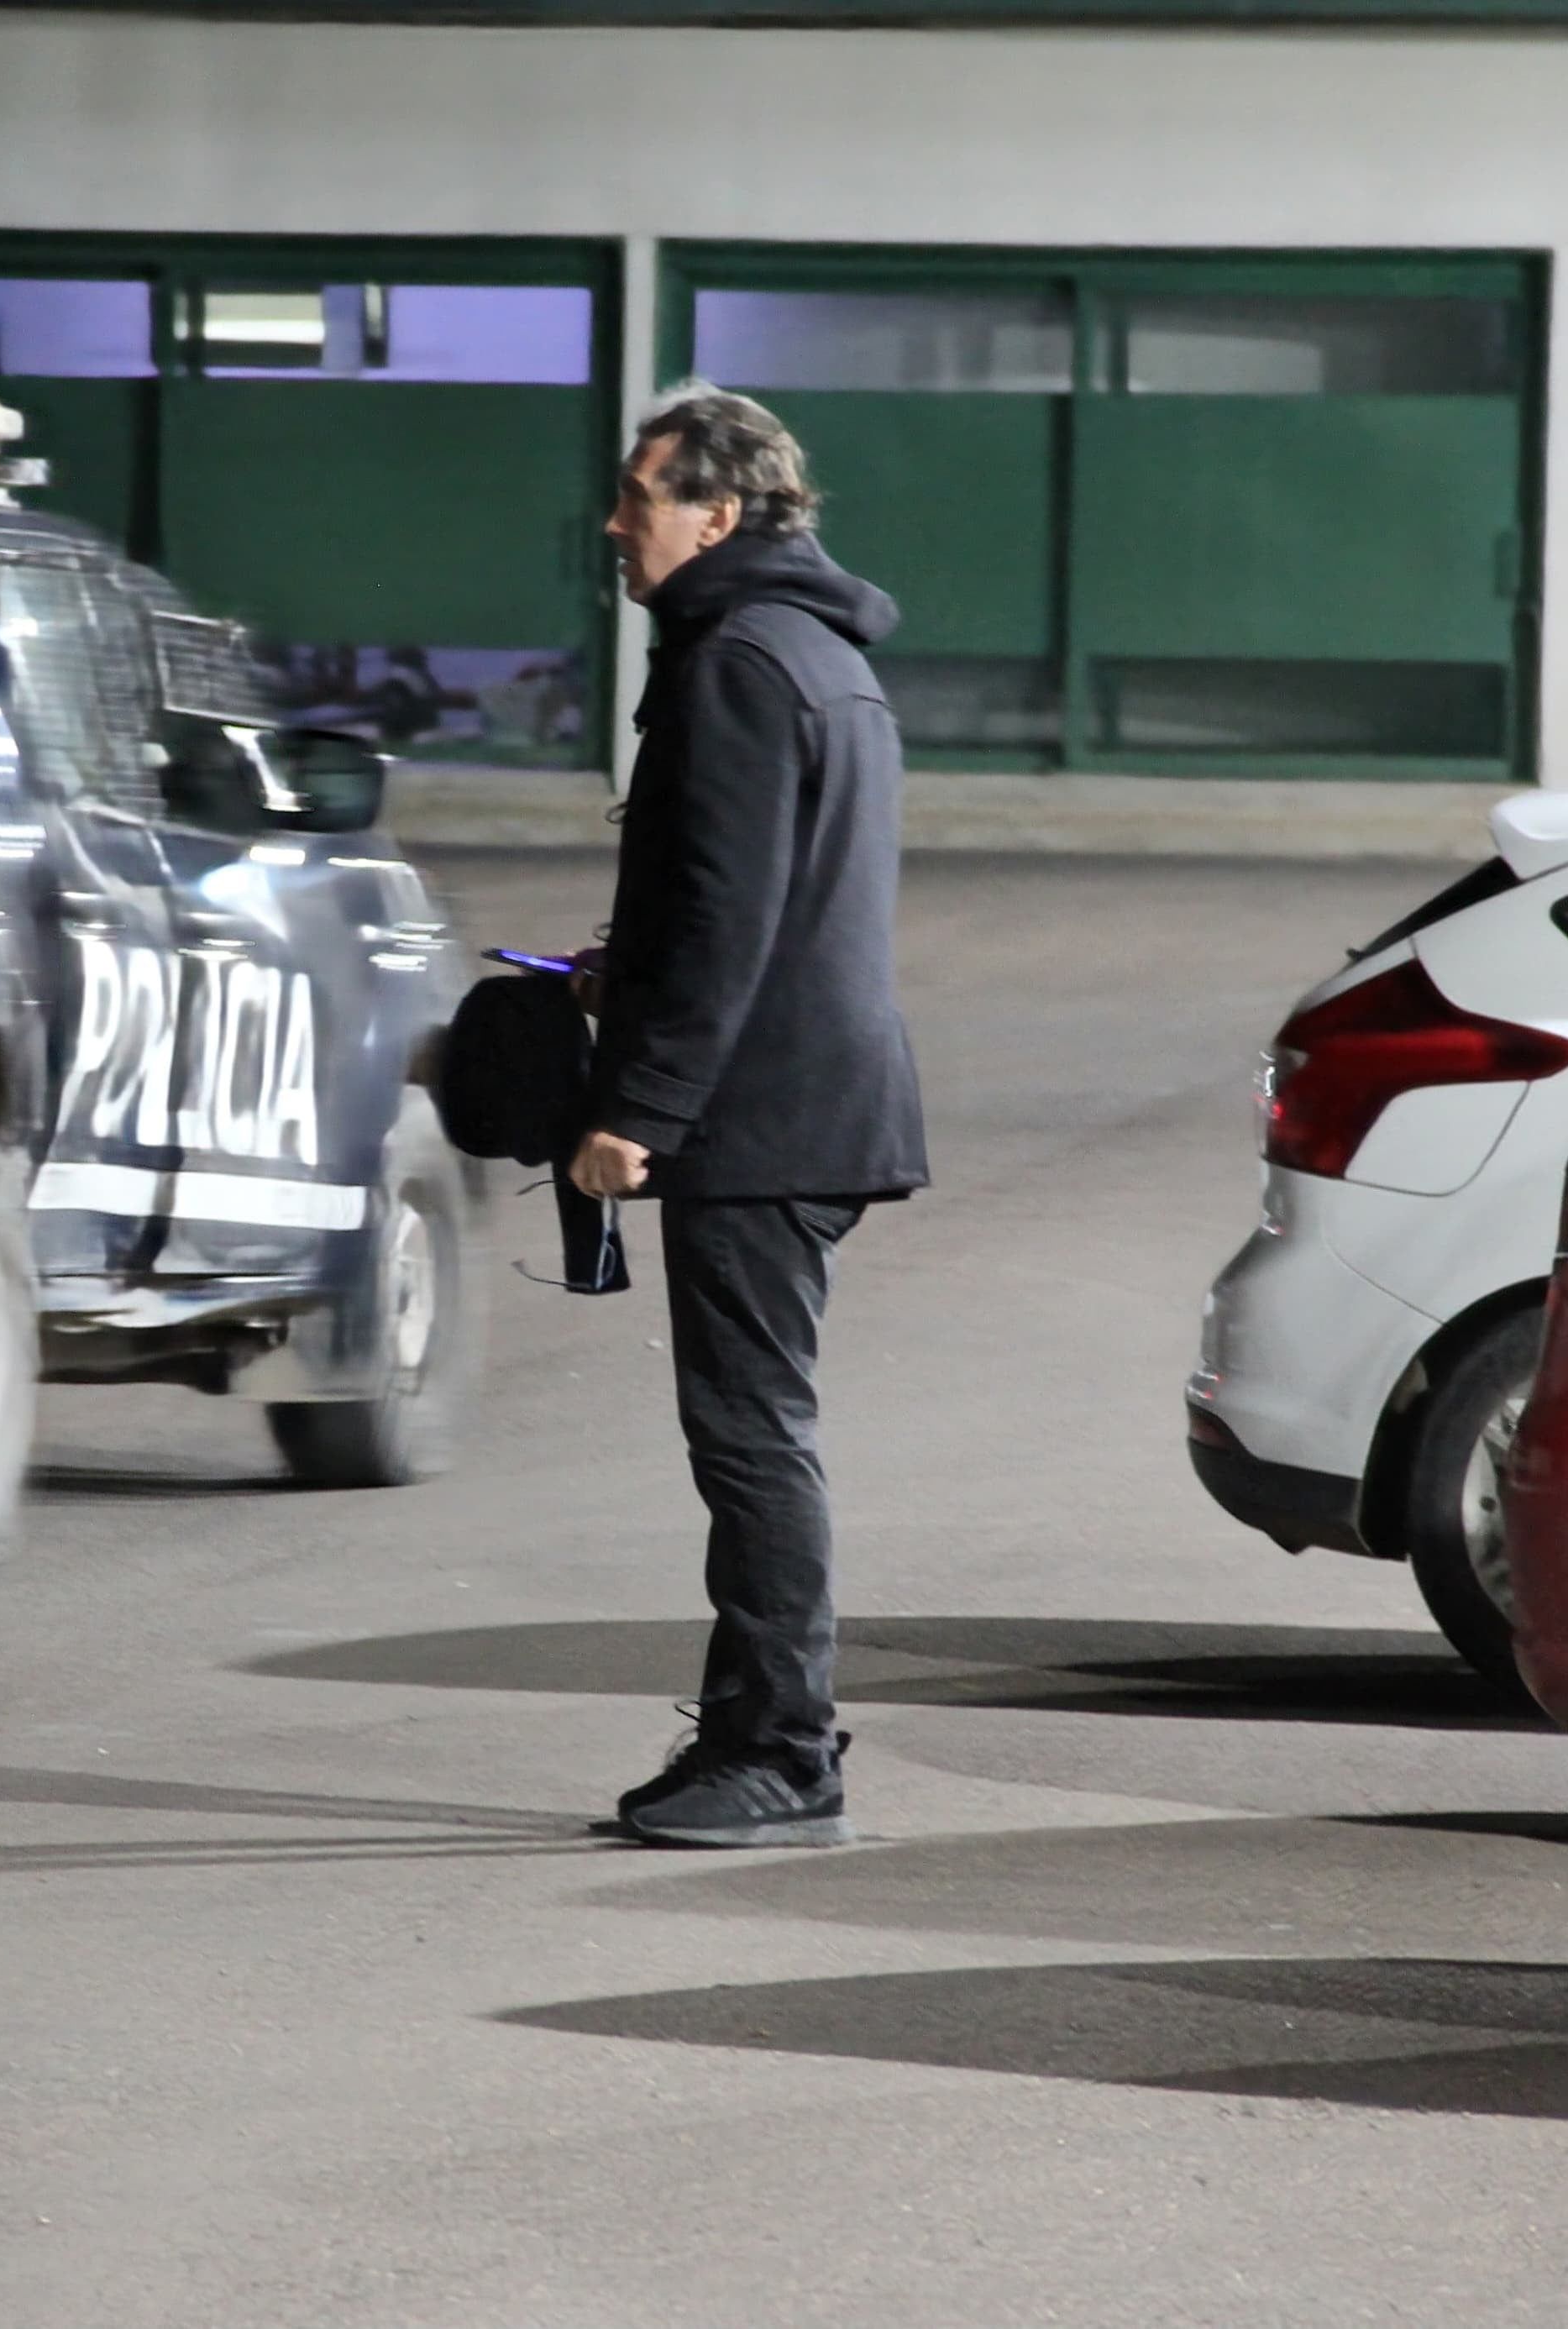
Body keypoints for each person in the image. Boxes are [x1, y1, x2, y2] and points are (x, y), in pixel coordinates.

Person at [575, 383, 927, 1849]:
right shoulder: (811, 653)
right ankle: (747, 1733)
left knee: (751, 1437)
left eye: (641, 496)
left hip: (761, 1115)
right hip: (804, 1095)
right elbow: (763, 898)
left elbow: (731, 916)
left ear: (721, 514)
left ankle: (784, 1749)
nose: (616, 522)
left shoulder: (732, 662)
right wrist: (623, 968)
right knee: (751, 1431)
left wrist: (637, 1106)